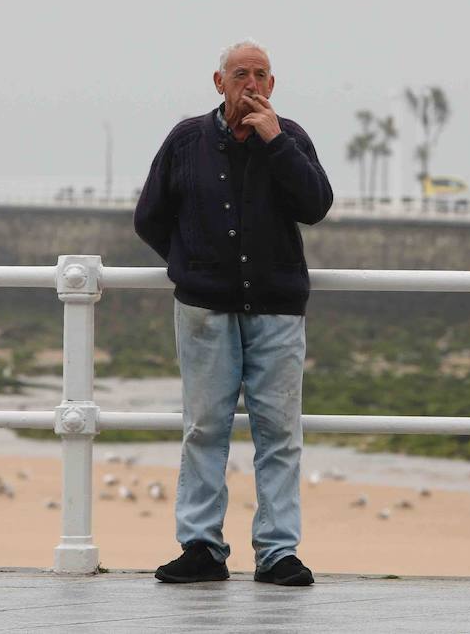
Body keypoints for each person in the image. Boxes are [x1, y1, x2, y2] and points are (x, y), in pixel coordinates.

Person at [134, 39, 333, 586]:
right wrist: (192, 265)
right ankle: (200, 547)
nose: (252, 83)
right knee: (203, 428)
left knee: (279, 433)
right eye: (240, 74)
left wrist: (275, 144)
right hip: (204, 311)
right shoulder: (186, 141)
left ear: (273, 84)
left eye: (261, 75)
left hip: (277, 311)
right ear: (218, 82)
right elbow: (150, 217)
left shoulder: (290, 139)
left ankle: (277, 552)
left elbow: (316, 205)